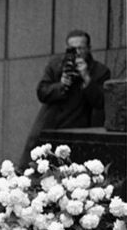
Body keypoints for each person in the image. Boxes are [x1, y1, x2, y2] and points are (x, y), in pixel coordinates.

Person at [18, 29, 111, 166]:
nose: (77, 52)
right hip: (53, 126)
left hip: (83, 130)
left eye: (81, 48)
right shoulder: (56, 66)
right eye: (72, 49)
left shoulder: (100, 70)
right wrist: (61, 85)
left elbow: (101, 102)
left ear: (89, 49)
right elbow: (42, 92)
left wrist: (86, 78)